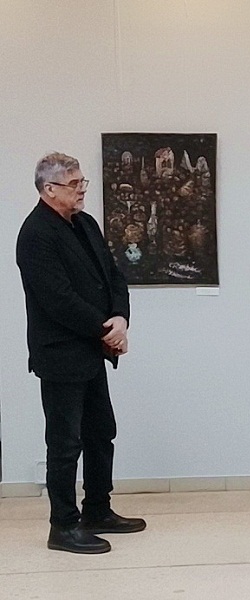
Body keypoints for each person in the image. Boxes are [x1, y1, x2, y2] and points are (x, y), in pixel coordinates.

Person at [16, 152, 146, 554]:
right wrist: (106, 331)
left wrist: (120, 317)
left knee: (101, 431)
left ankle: (98, 509)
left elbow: (113, 275)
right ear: (49, 189)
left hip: (92, 349)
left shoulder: (85, 224)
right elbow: (58, 299)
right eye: (74, 184)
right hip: (60, 354)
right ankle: (63, 526)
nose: (82, 190)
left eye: (82, 182)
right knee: (65, 442)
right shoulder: (35, 234)